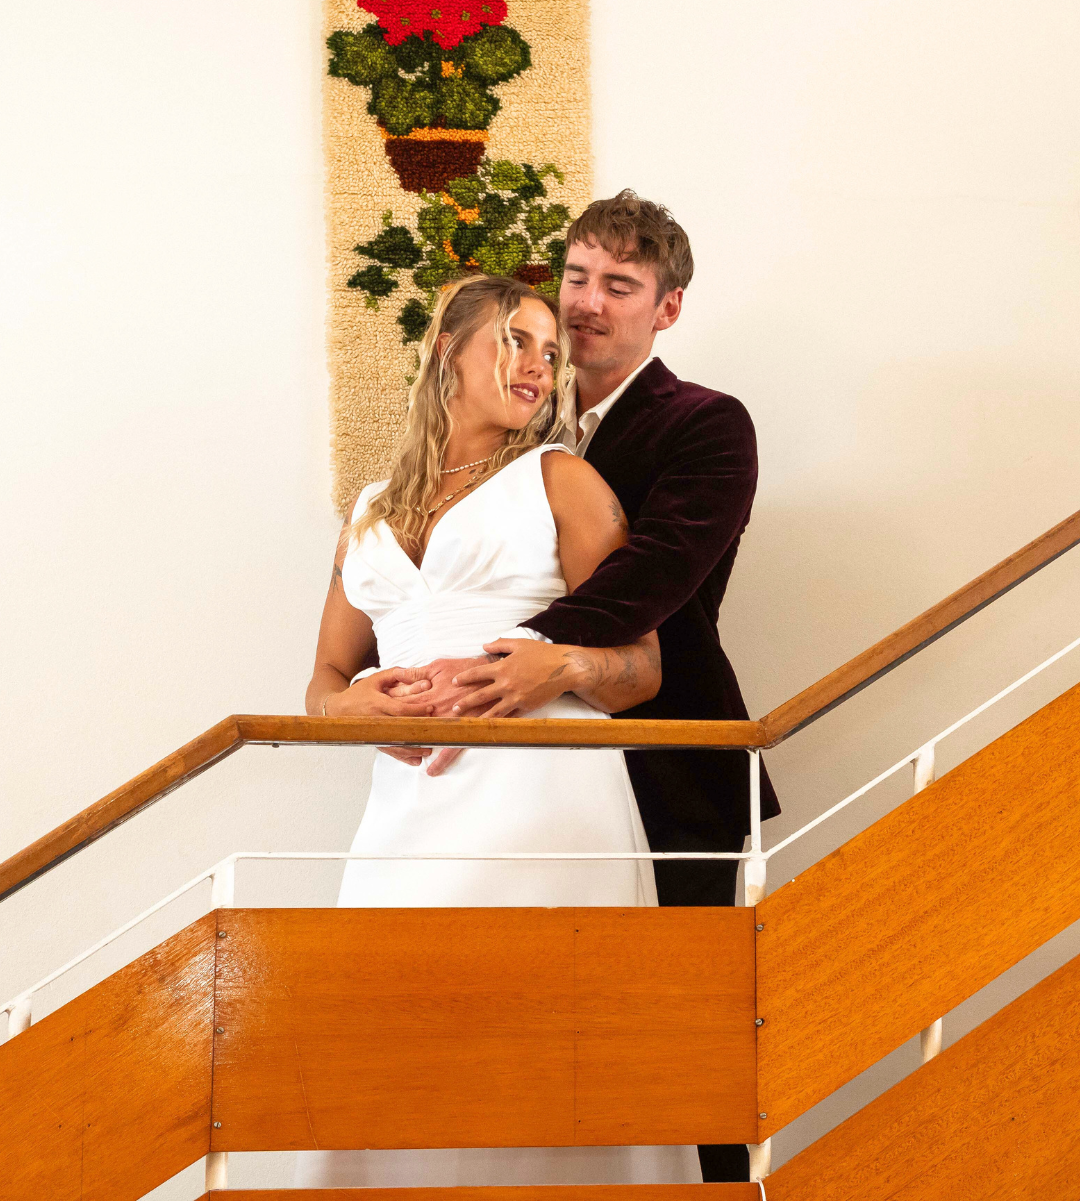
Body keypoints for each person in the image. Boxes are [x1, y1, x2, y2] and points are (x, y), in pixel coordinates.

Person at [388, 190, 780, 1184]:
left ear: (668, 308)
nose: (588, 303)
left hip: (674, 765)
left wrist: (494, 659)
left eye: (620, 284)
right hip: (520, 782)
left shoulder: (705, 424)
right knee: (530, 1032)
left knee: (684, 1041)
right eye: (573, 278)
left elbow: (649, 576)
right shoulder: (514, 422)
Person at [298, 271, 701, 1186]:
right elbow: (322, 681)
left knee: (537, 1034)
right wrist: (356, 710)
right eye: (516, 340)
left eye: (551, 351)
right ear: (450, 348)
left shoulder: (561, 480)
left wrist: (549, 669)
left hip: (542, 786)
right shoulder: (368, 511)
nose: (539, 364)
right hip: (405, 799)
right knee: (388, 1024)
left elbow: (642, 666)